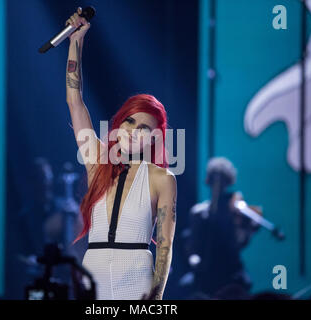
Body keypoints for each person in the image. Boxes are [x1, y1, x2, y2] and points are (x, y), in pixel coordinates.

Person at [64, 8, 177, 300]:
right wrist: (76, 41)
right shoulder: (97, 162)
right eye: (130, 121)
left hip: (137, 278)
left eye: (143, 128)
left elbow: (164, 246)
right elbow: (75, 102)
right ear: (120, 121)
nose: (132, 131)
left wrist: (155, 295)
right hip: (94, 273)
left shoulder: (162, 178)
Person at [185, 157, 259, 299]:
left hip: (231, 273)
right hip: (206, 274)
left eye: (222, 181)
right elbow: (193, 245)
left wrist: (246, 228)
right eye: (215, 180)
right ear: (209, 181)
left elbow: (239, 242)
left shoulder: (234, 209)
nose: (218, 185)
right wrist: (194, 260)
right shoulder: (199, 212)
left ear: (228, 182)